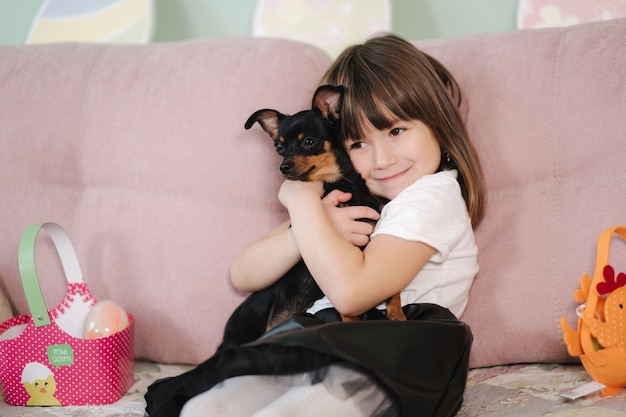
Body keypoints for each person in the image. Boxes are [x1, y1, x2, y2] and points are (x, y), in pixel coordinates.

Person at [145, 33, 485, 417]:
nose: (383, 158)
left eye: (396, 131)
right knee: (202, 409)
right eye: (358, 143)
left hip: (392, 353)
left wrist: (299, 197)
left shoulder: (432, 195)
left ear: (437, 122)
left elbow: (354, 294)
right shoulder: (353, 205)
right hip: (322, 337)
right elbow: (244, 273)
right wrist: (319, 224)